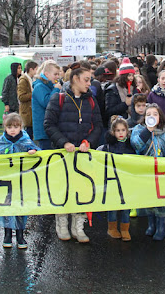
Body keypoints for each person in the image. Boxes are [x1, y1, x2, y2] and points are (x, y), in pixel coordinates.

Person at [44, 65, 102, 243]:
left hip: (83, 155)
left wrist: (88, 142)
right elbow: (49, 124)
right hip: (62, 154)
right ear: (75, 79)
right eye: (86, 79)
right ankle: (61, 223)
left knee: (82, 190)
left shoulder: (91, 101)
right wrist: (64, 142)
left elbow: (98, 125)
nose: (89, 83)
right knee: (62, 188)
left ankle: (78, 225)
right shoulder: (58, 98)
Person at [0, 113, 38, 249]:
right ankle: (7, 234)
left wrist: (33, 151)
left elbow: (36, 151)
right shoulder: (2, 141)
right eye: (9, 127)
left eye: (16, 127)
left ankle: (20, 235)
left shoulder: (25, 140)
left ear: (21, 127)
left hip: (20, 181)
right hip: (5, 181)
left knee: (20, 208)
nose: (13, 130)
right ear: (5, 127)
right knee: (6, 207)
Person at [131, 103, 165, 241]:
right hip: (146, 173)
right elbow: (136, 145)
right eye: (148, 115)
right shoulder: (138, 130)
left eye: (155, 114)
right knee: (149, 198)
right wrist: (147, 130)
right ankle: (151, 225)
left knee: (162, 201)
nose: (151, 117)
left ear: (160, 117)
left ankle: (161, 227)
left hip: (162, 174)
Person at [97, 115, 136, 241]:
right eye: (118, 130)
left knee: (126, 207)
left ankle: (125, 229)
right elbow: (98, 155)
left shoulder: (131, 146)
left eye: (123, 130)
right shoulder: (108, 146)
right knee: (113, 206)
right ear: (113, 132)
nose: (120, 133)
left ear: (127, 131)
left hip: (127, 181)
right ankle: (112, 228)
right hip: (113, 182)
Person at [32, 60, 63, 151]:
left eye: (58, 74)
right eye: (55, 74)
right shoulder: (39, 86)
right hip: (43, 130)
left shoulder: (48, 86)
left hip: (50, 128)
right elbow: (47, 103)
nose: (57, 77)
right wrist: (56, 90)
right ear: (47, 74)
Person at [18, 60, 38, 139]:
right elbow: (21, 97)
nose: (37, 71)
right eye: (36, 69)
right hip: (27, 112)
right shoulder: (23, 80)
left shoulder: (32, 79)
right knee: (28, 135)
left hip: (31, 112)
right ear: (31, 69)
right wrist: (34, 93)